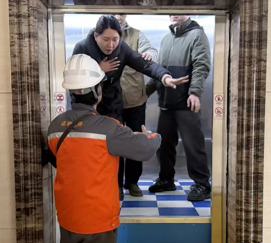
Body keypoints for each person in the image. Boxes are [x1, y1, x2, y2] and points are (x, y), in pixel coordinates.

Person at [45, 54, 161, 243]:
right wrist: (154, 136)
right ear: (97, 91)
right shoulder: (108, 127)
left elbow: (58, 158)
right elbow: (144, 149)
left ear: (71, 92)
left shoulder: (56, 126)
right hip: (98, 219)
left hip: (68, 217)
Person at [72, 15, 187, 199]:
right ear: (95, 36)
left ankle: (132, 181)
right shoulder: (82, 48)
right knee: (107, 148)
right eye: (106, 39)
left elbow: (145, 64)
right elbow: (75, 83)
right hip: (93, 107)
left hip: (115, 102)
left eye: (115, 39)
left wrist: (165, 77)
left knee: (128, 141)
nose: (111, 45)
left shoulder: (122, 48)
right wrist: (98, 70)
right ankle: (114, 184)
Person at [148, 15, 212, 202]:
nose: (174, 14)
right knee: (164, 144)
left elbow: (201, 65)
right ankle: (166, 179)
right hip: (166, 101)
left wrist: (195, 92)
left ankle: (202, 184)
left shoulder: (197, 35)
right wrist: (146, 92)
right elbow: (159, 71)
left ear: (189, 13)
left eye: (179, 11)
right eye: (171, 12)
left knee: (193, 145)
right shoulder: (166, 38)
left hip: (186, 101)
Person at [115, 14, 158, 197]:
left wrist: (151, 54)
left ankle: (132, 182)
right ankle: (115, 184)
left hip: (135, 101)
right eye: (115, 13)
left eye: (122, 13)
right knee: (114, 144)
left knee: (136, 142)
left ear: (126, 15)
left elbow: (151, 50)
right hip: (112, 103)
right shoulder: (101, 34)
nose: (118, 16)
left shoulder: (136, 34)